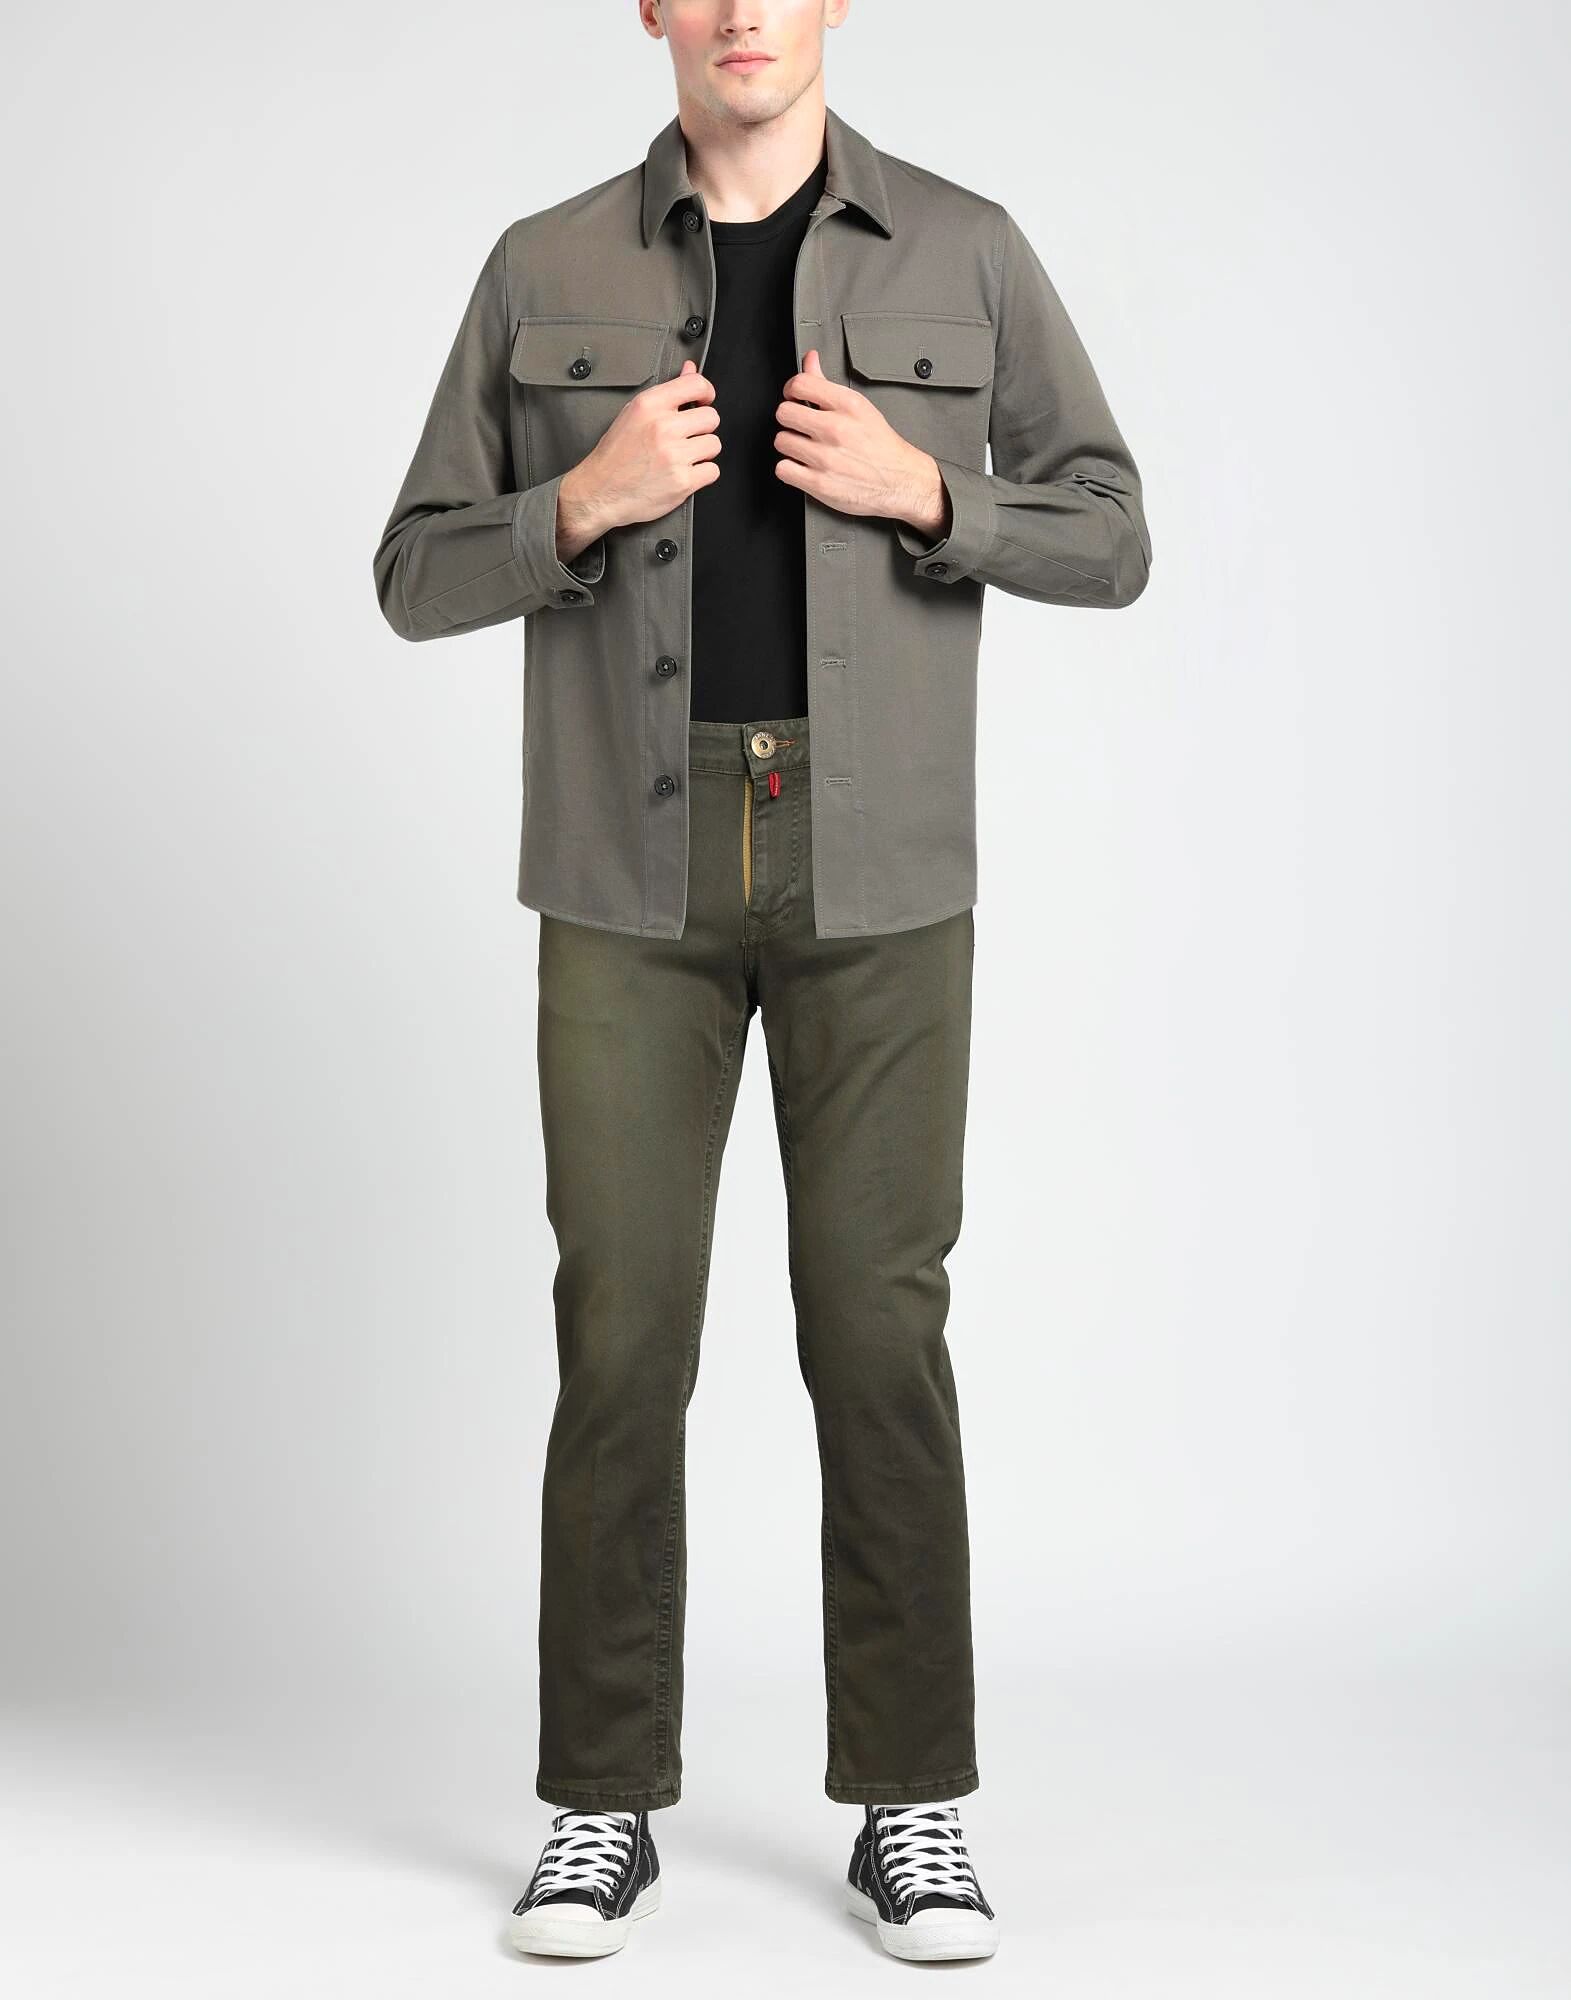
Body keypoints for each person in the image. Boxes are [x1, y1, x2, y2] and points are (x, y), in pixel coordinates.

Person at [373, 0, 1150, 1965]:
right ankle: (596, 1806)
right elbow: (410, 570)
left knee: (878, 1334)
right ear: (648, 6)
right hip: (624, 873)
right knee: (622, 1335)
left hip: (881, 872)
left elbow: (1115, 533)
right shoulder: (543, 262)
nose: (740, 12)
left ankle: (913, 1801)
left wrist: (931, 495)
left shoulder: (966, 247)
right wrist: (578, 502)